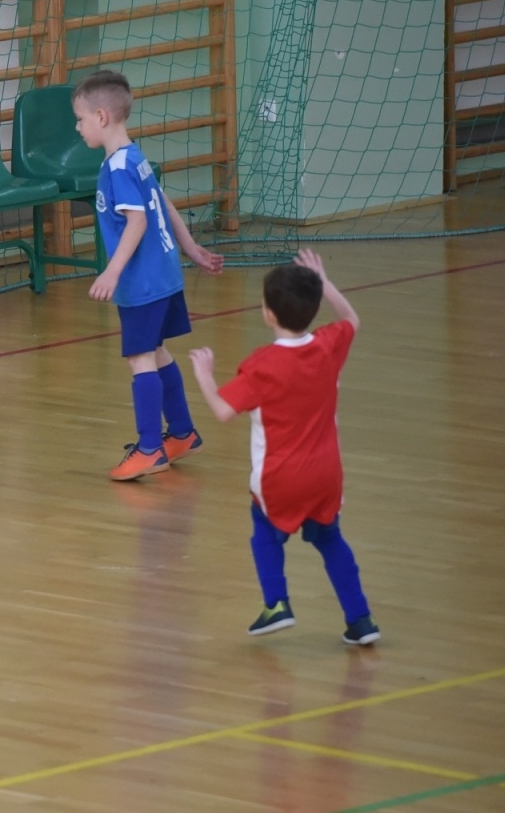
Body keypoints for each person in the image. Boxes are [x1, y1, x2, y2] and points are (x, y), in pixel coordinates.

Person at [187, 249, 380, 646]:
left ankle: (276, 603)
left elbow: (223, 411)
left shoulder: (261, 365)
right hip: (326, 474)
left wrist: (204, 375)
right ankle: (361, 620)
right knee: (330, 539)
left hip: (281, 477)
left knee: (264, 530)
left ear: (268, 314)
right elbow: (352, 319)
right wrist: (324, 282)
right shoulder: (328, 345)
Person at [73, 69, 225, 480]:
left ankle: (149, 449)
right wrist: (190, 248)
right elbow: (162, 201)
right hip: (164, 272)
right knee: (156, 351)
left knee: (140, 357)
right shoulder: (134, 157)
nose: (78, 127)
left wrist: (111, 271)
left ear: (101, 117)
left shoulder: (117, 168)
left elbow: (138, 221)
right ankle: (182, 433)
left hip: (142, 281)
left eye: (80, 119)